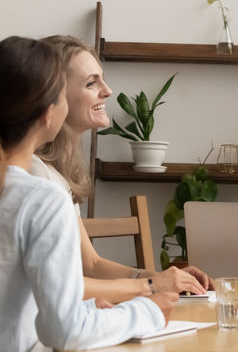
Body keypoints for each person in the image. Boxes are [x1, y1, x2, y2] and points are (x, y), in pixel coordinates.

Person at [0, 36, 176, 352]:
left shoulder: (37, 191)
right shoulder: (39, 197)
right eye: (90, 83)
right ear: (48, 112)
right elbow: (65, 331)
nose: (106, 91)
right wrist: (146, 309)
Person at [30, 35, 213, 302]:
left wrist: (164, 278)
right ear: (53, 96)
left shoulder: (55, 175)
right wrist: (152, 285)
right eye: (91, 83)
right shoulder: (36, 177)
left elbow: (90, 264)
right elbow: (56, 287)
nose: (108, 91)